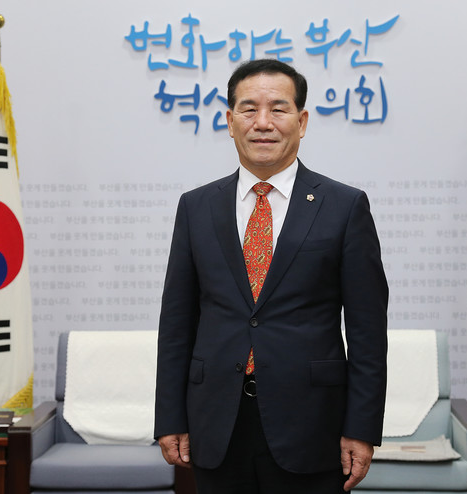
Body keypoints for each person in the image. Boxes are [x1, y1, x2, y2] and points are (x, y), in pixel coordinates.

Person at [155, 58, 389, 494]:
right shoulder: (196, 207)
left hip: (312, 424)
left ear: (302, 121)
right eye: (249, 109)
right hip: (215, 422)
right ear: (230, 122)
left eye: (278, 109)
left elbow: (368, 333)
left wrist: (362, 428)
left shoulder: (344, 206)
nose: (263, 123)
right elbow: (176, 324)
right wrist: (170, 417)